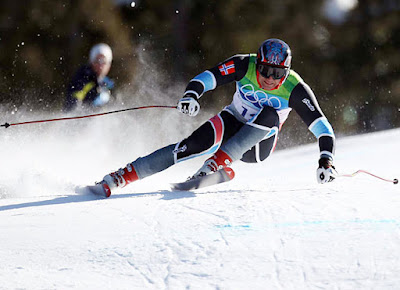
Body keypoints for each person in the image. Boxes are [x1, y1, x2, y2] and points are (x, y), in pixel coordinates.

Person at [95, 38, 337, 197]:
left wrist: (326, 160)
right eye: (265, 70)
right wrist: (191, 95)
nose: (270, 78)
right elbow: (207, 78)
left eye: (277, 73)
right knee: (188, 146)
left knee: (271, 113)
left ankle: (215, 164)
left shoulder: (295, 88)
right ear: (258, 63)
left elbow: (323, 128)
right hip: (232, 122)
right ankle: (120, 177)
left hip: (257, 146)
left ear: (287, 71)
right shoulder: (245, 64)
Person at [64, 43, 114, 112]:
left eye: (104, 61)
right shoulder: (83, 79)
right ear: (92, 62)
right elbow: (73, 102)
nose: (100, 65)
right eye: (97, 61)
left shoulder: (109, 84)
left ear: (109, 64)